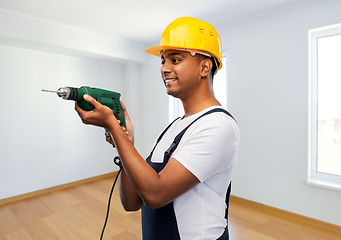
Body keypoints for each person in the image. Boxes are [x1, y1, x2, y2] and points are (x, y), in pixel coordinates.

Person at [75, 16, 240, 240]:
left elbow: (155, 194)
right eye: (163, 61)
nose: (164, 68)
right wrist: (126, 141)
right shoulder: (174, 127)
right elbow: (132, 202)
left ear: (204, 66)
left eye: (175, 59)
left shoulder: (218, 126)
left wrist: (113, 127)